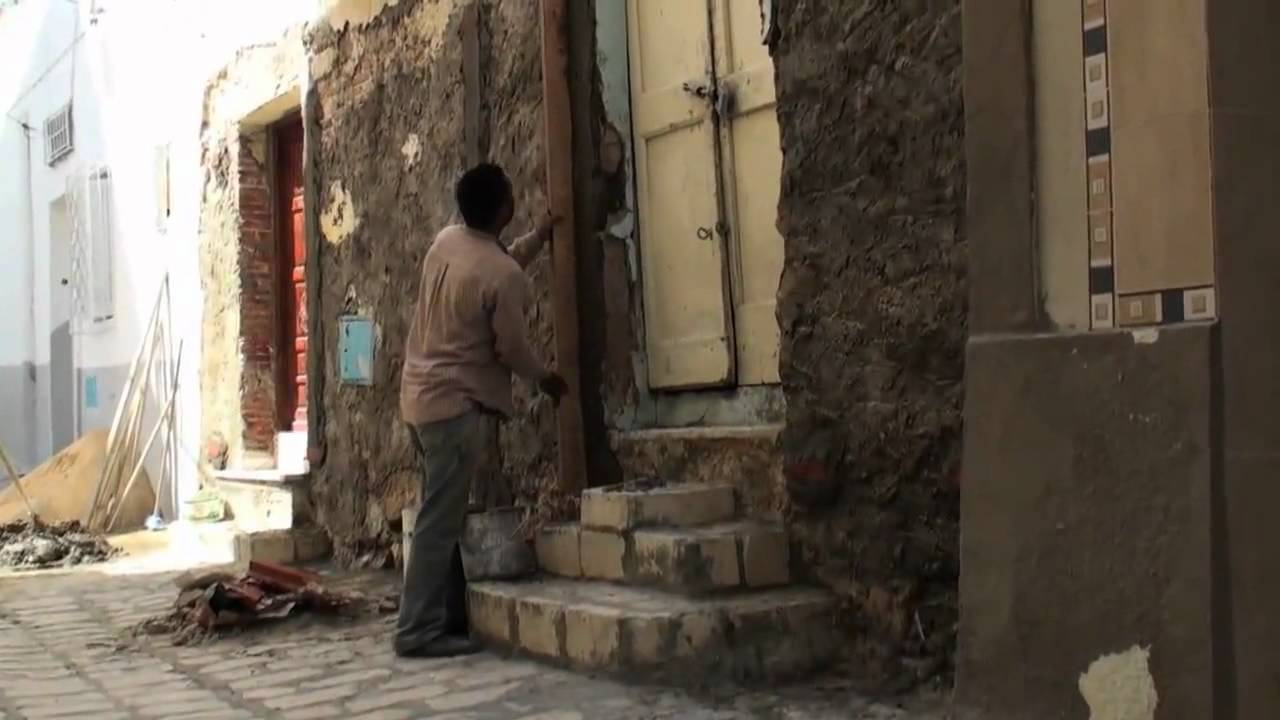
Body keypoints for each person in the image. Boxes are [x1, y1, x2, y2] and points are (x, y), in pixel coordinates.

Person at [396, 163, 567, 658]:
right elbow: (510, 347)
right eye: (511, 194)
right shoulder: (500, 274)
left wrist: (539, 238)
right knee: (438, 524)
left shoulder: (448, 241)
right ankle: (416, 631)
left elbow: (495, 267)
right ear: (504, 208)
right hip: (454, 409)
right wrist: (545, 379)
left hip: (418, 401)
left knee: (441, 517)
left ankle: (446, 618)